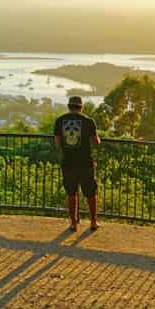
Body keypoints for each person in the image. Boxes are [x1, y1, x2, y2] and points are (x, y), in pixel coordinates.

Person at [53, 95, 101, 231]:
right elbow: (96, 141)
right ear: (81, 107)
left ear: (69, 106)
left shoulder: (59, 121)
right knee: (91, 193)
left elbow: (57, 142)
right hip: (86, 163)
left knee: (71, 193)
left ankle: (73, 223)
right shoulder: (89, 121)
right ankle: (93, 222)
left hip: (68, 162)